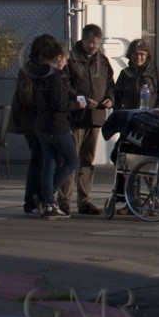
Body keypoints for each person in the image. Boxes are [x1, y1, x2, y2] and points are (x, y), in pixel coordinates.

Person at [15, 35, 80, 219]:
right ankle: (45, 196)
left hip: (41, 125)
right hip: (54, 125)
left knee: (48, 163)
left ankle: (46, 201)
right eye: (65, 58)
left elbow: (38, 99)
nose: (66, 62)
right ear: (58, 57)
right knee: (70, 161)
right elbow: (59, 103)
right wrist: (76, 104)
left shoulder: (39, 75)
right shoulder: (53, 76)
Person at [61, 24, 114, 215]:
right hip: (76, 117)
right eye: (91, 42)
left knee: (87, 160)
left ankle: (85, 200)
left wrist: (110, 99)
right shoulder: (70, 58)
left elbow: (110, 85)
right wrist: (80, 99)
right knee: (70, 159)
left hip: (95, 116)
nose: (93, 46)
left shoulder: (103, 60)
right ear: (83, 40)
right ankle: (63, 200)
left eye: (97, 43)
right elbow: (65, 85)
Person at [111, 38, 159, 111]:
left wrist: (158, 110)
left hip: (150, 117)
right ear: (130, 54)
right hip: (130, 117)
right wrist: (120, 112)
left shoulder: (154, 72)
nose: (138, 57)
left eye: (142, 54)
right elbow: (116, 96)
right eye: (135, 53)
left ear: (147, 56)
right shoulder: (125, 73)